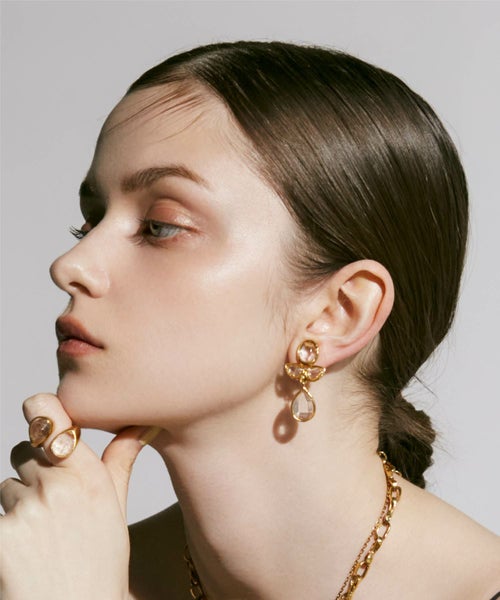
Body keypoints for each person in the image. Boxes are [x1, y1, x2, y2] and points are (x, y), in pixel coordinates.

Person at [0, 40, 499, 600]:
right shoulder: (39, 573)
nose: (70, 265)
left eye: (160, 226)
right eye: (90, 221)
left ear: (338, 313)